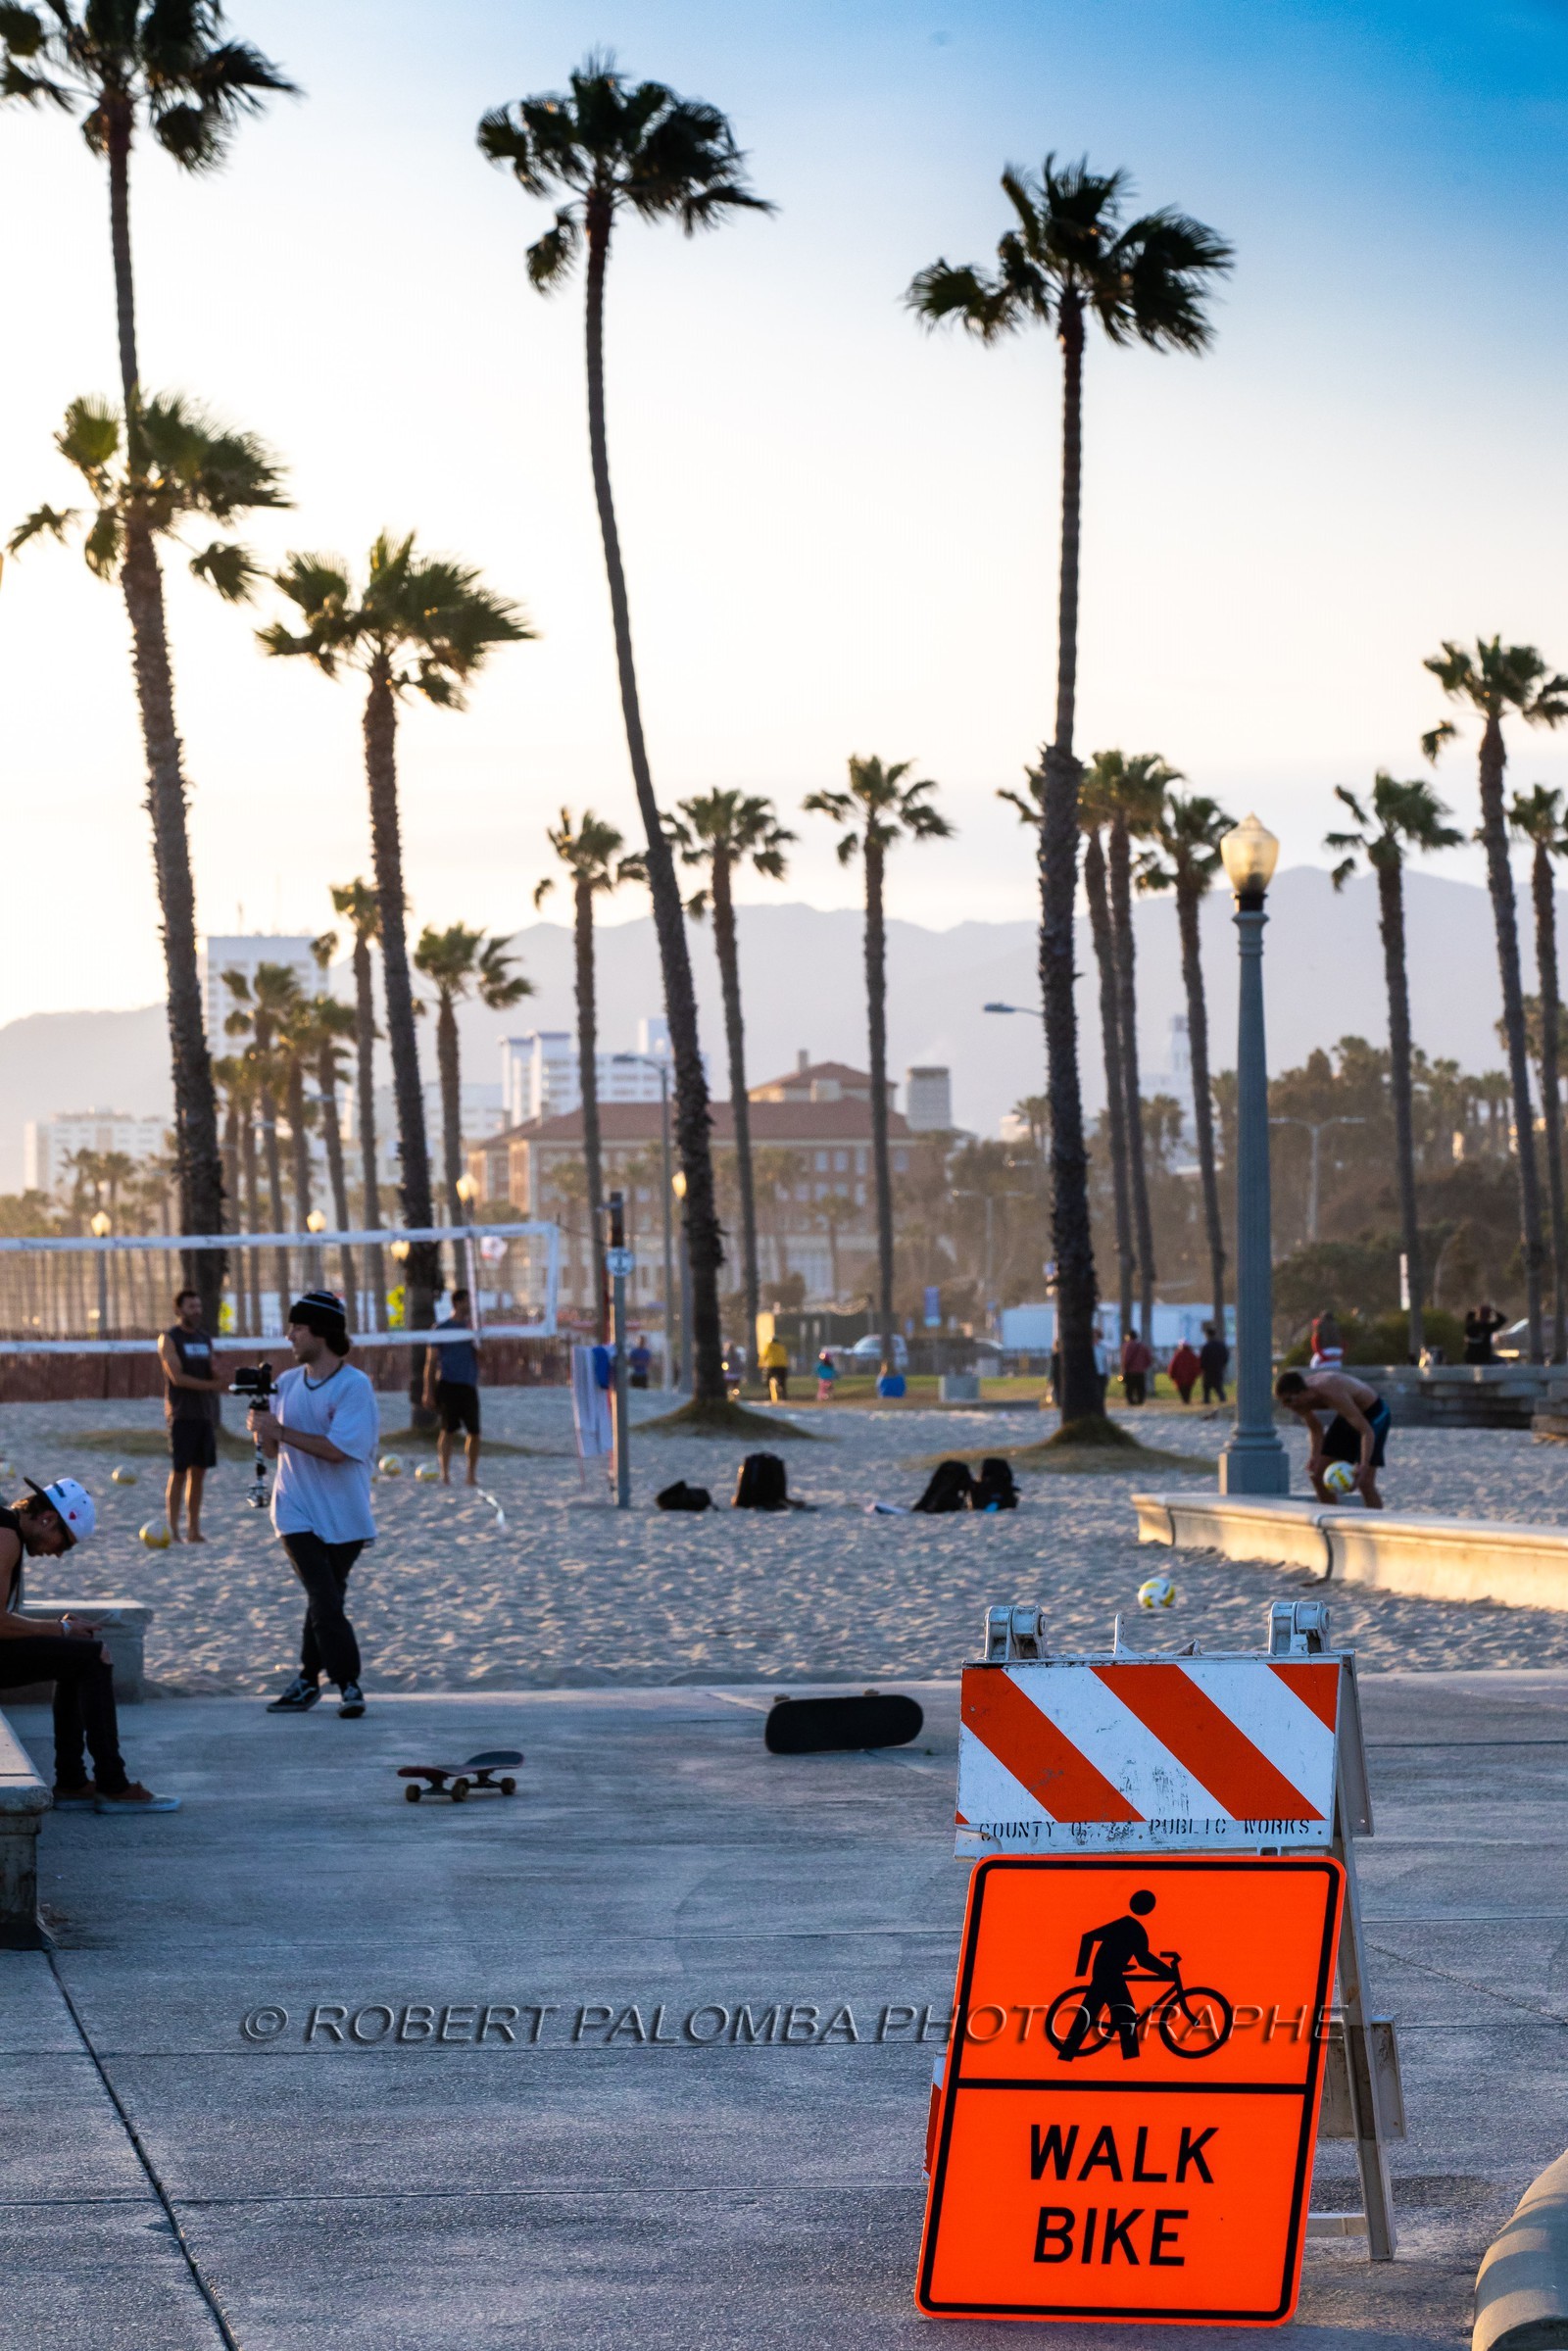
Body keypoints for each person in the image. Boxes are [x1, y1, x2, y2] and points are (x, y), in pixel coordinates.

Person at [0, 1477, 177, 1810]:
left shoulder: (8, 1531)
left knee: (81, 1657)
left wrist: (61, 1630)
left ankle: (73, 1781)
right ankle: (112, 1785)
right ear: (48, 1519)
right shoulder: (5, 1537)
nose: (57, 1554)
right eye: (63, 1543)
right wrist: (59, 1631)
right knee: (92, 1657)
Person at [250, 1293, 379, 1717]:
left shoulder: (353, 1386)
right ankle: (349, 1684)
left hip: (347, 1516)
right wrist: (261, 1425)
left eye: (298, 1328)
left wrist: (280, 1430)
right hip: (294, 1511)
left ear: (320, 1332)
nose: (290, 1336)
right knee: (324, 1597)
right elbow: (271, 1452)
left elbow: (339, 1450)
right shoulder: (285, 1383)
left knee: (326, 1600)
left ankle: (307, 1680)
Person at [1059, 1888, 1176, 2062]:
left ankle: (1067, 2054)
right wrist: (1080, 1971)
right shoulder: (1128, 1925)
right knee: (1125, 2015)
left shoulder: (1135, 1928)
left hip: (1110, 1971)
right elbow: (1088, 1937)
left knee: (1092, 2012)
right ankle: (1131, 2060)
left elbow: (1141, 1957)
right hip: (1107, 1972)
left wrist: (1164, 1971)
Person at [158, 1287, 225, 1543]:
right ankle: (173, 1529)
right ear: (179, 1310)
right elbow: (177, 1377)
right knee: (179, 1472)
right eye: (191, 1307)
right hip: (181, 1414)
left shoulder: (204, 1338)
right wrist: (212, 1386)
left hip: (205, 1414)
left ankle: (193, 1529)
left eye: (198, 1306)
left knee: (200, 1473)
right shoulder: (169, 1338)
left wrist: (219, 1373)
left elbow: (214, 1373)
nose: (197, 1311)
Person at [1275, 1364, 1392, 1509]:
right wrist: (1314, 1456)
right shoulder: (1299, 1403)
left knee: (1365, 1482)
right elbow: (1316, 1429)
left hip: (1374, 1413)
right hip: (1349, 1414)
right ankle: (1331, 1517)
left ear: (1301, 1393)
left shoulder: (1330, 1391)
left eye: (1288, 1401)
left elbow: (1366, 1431)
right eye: (1283, 1403)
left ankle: (1377, 1523)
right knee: (1317, 1474)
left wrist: (1363, 1464)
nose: (1287, 1406)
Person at [422, 1288, 481, 1486]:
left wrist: (477, 1341)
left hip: (468, 1385)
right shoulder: (441, 1329)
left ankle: (470, 1475)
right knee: (448, 1430)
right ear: (457, 1303)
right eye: (466, 1301)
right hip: (448, 1385)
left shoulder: (472, 1329)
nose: (470, 1306)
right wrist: (428, 1391)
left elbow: (482, 1358)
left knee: (475, 1432)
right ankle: (445, 1474)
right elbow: (430, 1363)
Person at [1119, 1329, 1152, 1406]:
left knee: (1130, 1388)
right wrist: (1143, 1366)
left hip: (1130, 1371)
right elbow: (1149, 1359)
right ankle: (1140, 1401)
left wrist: (1124, 1368)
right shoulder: (1143, 1346)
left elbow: (1126, 1359)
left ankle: (1131, 1401)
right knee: (1140, 1387)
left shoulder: (1127, 1346)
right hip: (1140, 1371)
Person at [1199, 1321, 1229, 1404]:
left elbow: (1203, 1359)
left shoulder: (1206, 1346)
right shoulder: (1221, 1345)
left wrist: (1202, 1367)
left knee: (1206, 1389)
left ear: (1207, 1335)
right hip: (1218, 1369)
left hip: (1208, 1371)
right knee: (1219, 1388)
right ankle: (1223, 1401)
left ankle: (1206, 1402)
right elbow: (1225, 1357)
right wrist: (1222, 1365)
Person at [1167, 1339, 1200, 1405]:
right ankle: (1187, 1401)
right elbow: (1197, 1366)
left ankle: (1185, 1402)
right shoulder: (1192, 1355)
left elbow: (1173, 1366)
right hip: (1190, 1378)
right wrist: (1197, 1374)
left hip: (1180, 1379)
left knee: (1183, 1392)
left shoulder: (1177, 1355)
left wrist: (1171, 1374)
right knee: (1188, 1391)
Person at [761, 1332, 790, 1402]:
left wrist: (761, 1364)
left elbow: (764, 1356)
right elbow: (785, 1356)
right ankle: (784, 1396)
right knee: (783, 1383)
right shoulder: (781, 1346)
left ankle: (769, 1396)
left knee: (768, 1380)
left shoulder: (768, 1346)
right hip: (782, 1366)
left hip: (772, 1366)